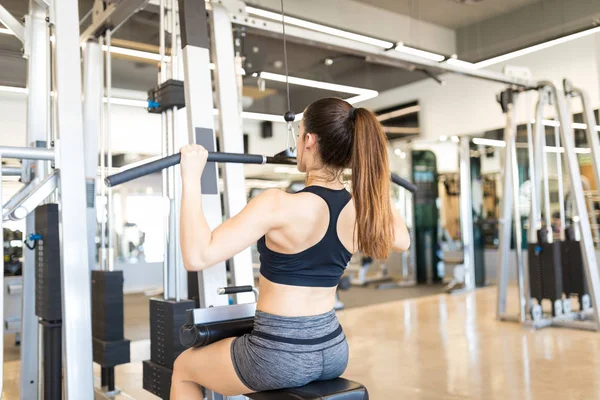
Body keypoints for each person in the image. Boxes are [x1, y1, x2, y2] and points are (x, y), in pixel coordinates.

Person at [171, 97, 411, 399]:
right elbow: (403, 240)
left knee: (184, 368)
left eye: (298, 135)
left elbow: (197, 255)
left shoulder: (278, 204)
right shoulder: (359, 209)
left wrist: (191, 176)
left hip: (277, 355)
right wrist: (375, 178)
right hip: (333, 349)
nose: (297, 143)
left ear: (309, 140)